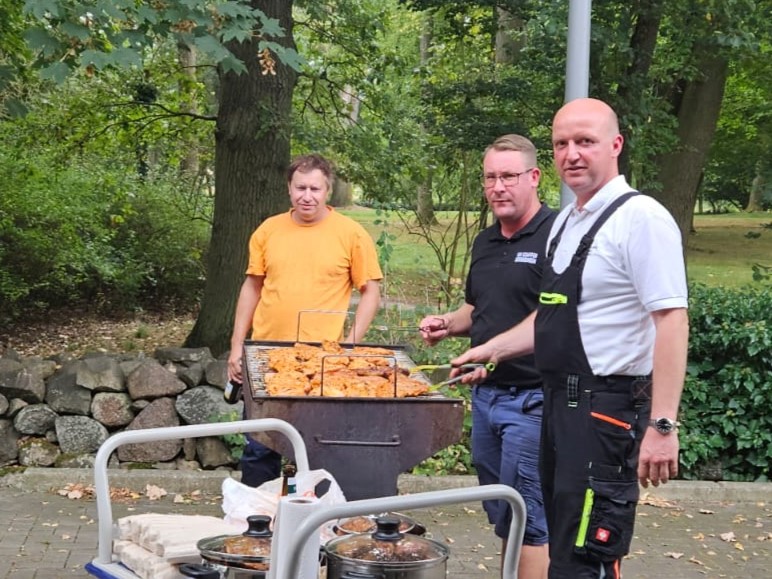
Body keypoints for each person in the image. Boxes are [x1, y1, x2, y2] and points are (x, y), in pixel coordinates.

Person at [451, 98, 689, 579]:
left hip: (607, 411)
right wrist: (490, 351)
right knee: (558, 545)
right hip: (558, 404)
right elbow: (553, 318)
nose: (572, 154)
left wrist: (663, 426)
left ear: (615, 145)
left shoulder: (641, 218)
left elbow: (671, 320)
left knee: (587, 558)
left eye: (585, 142)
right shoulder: (566, 222)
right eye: (562, 143)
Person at [419, 134, 555, 579]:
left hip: (534, 401)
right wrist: (448, 323)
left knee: (528, 517)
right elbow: (478, 308)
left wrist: (491, 351)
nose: (498, 187)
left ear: (534, 177)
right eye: (490, 178)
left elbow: (553, 318)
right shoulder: (485, 241)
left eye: (509, 176)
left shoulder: (558, 236)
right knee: (504, 515)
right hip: (487, 398)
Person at [227, 153, 383, 487]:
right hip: (266, 356)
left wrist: (349, 344)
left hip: (322, 361)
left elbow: (371, 292)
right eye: (300, 188)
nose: (307, 196)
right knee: (259, 448)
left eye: (315, 188)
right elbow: (252, 286)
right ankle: (258, 527)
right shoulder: (268, 230)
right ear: (289, 188)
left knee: (319, 452)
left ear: (328, 191)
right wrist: (237, 345)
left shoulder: (351, 234)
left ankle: (318, 528)